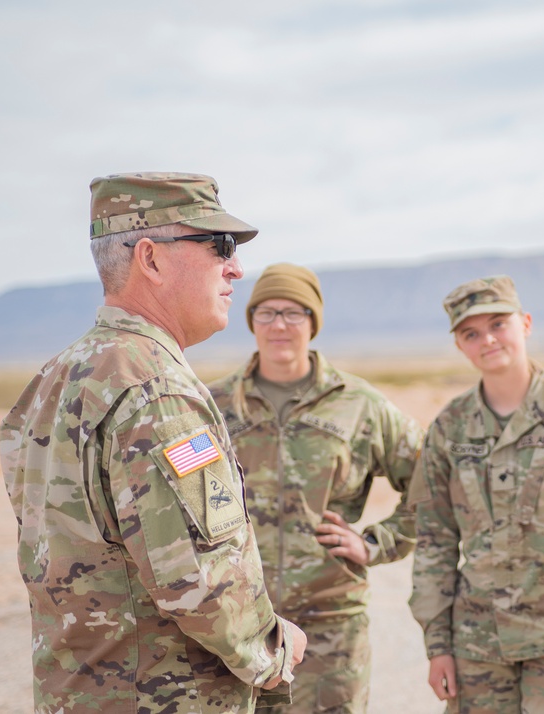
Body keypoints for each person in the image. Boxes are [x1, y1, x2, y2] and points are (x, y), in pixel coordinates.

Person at [0, 172, 306, 713]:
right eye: (219, 246)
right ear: (152, 258)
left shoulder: (56, 376)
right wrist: (274, 649)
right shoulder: (154, 390)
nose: (235, 268)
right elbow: (198, 582)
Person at [209, 262, 424, 713]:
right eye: (266, 312)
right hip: (238, 623)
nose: (280, 324)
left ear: (313, 321)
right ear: (251, 322)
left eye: (294, 312)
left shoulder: (358, 404)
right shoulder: (215, 404)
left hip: (329, 622)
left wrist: (377, 543)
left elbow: (434, 483)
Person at [407, 275, 544, 713]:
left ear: (525, 323)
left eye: (498, 324)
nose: (487, 339)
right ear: (459, 346)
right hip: (478, 645)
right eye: (471, 333)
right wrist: (438, 645)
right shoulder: (450, 426)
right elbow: (435, 538)